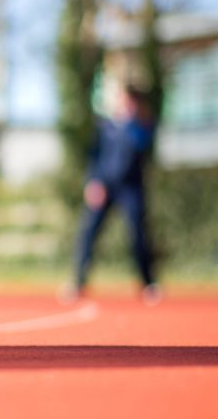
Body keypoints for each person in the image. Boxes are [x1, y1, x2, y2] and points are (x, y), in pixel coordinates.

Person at [61, 84, 161, 305]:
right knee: (88, 233)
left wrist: (132, 122)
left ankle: (148, 283)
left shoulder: (142, 125)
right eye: (122, 99)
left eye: (129, 100)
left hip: (131, 188)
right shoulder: (105, 126)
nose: (124, 103)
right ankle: (78, 282)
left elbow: (143, 147)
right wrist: (94, 182)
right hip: (104, 187)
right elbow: (95, 156)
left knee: (138, 234)